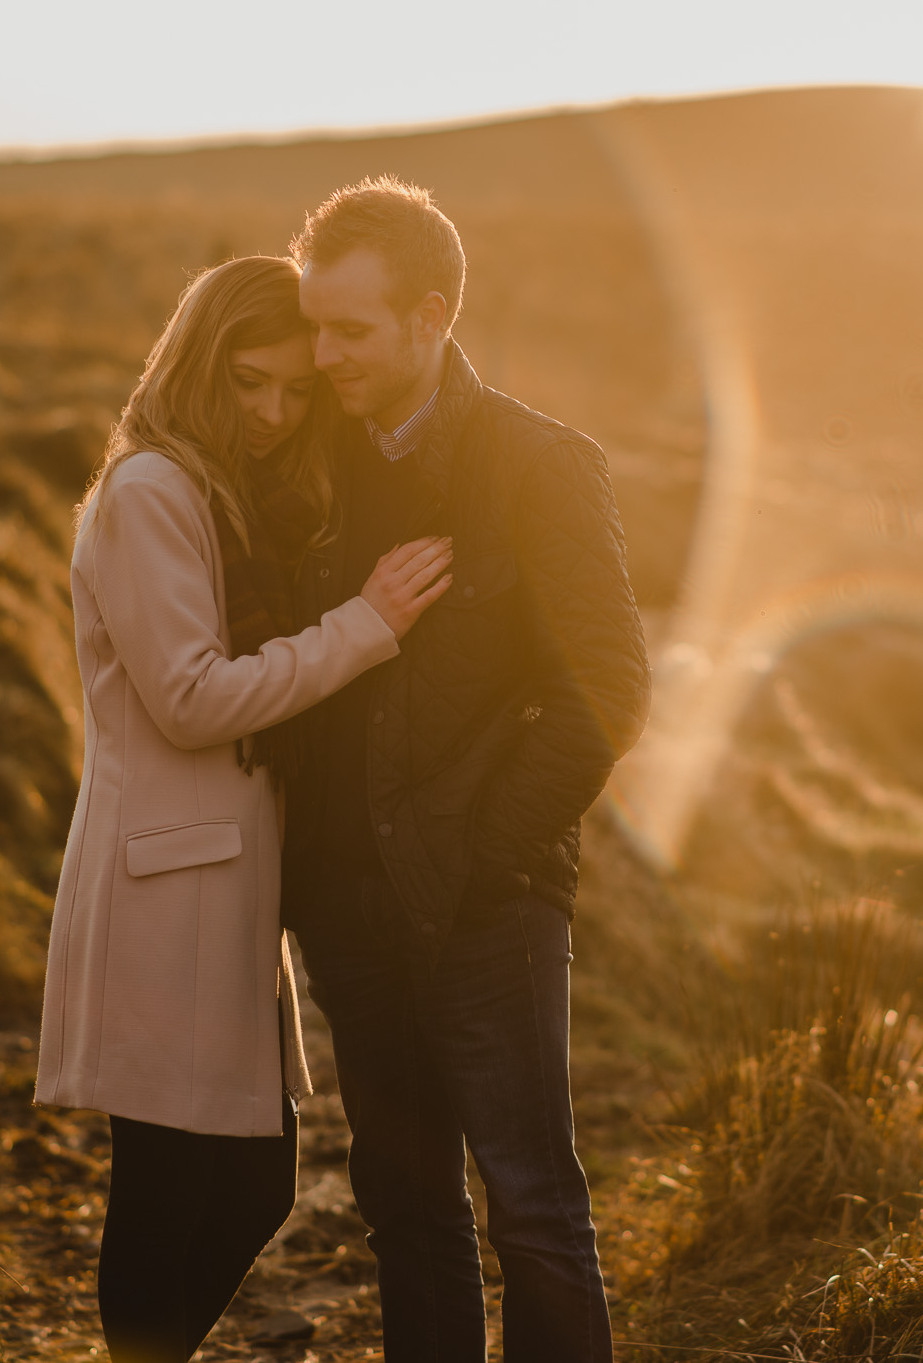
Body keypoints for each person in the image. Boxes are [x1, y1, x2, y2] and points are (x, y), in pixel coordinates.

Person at [33, 255, 454, 1363]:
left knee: (252, 1183)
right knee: (172, 1185)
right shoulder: (150, 492)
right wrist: (364, 626)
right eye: (248, 384)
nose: (271, 413)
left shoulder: (226, 492)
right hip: (164, 881)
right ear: (195, 367)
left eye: (293, 390)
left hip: (222, 883)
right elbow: (188, 698)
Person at [285, 177, 652, 1362]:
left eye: (350, 329)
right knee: (405, 1211)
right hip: (348, 909)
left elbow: (612, 690)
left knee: (531, 1209)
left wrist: (488, 857)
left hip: (490, 908)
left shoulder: (539, 464)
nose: (323, 353)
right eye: (315, 325)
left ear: (430, 315)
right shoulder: (312, 467)